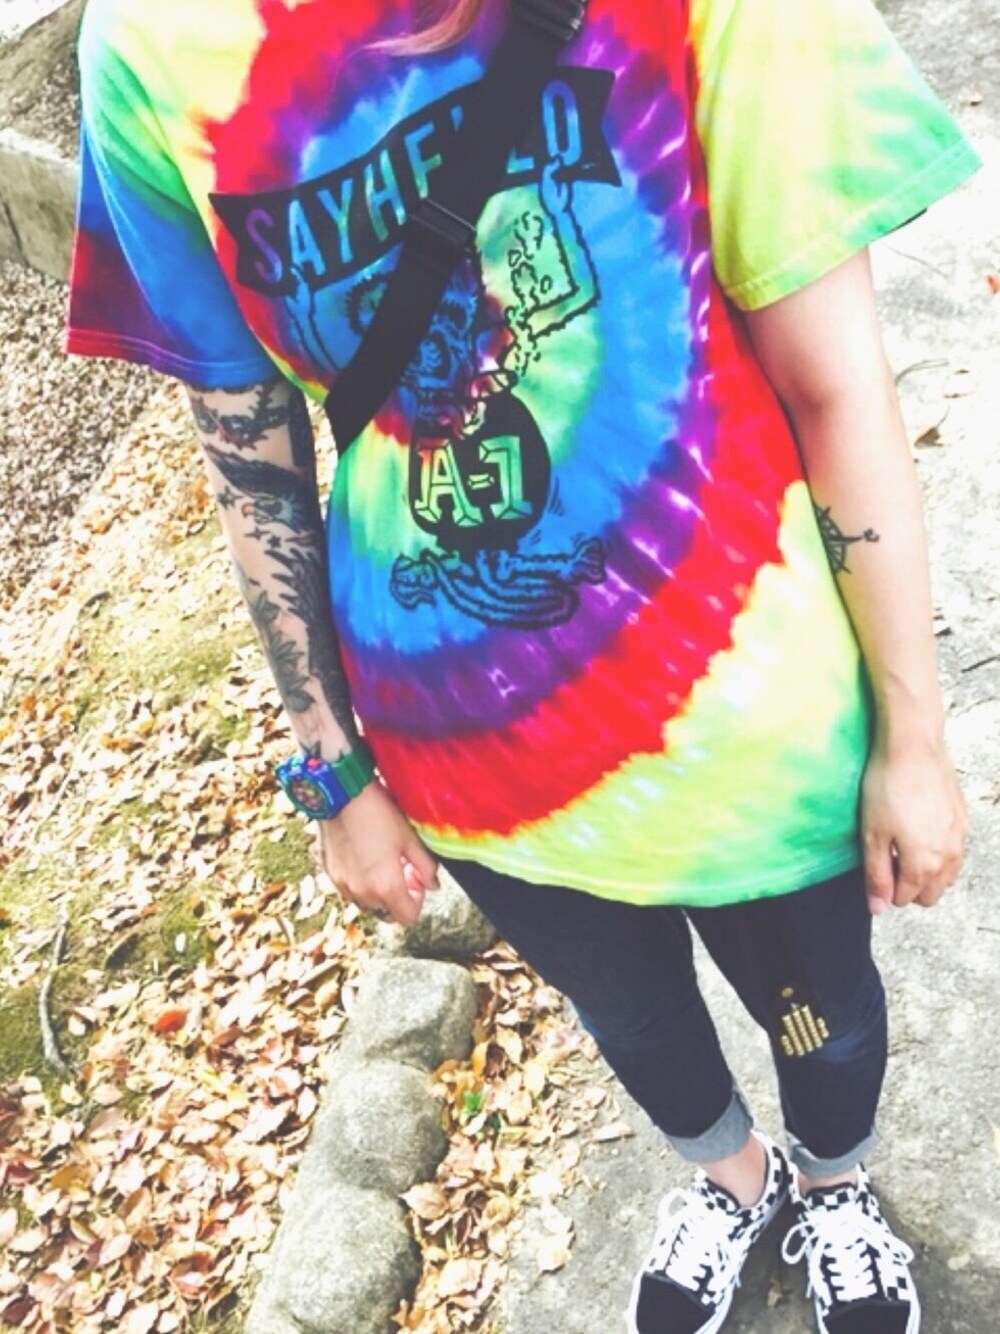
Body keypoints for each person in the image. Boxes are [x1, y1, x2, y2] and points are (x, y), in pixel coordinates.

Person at [65, 0, 977, 1329]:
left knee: (823, 1017)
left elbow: (835, 385)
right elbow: (247, 450)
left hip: (751, 707)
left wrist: (914, 733)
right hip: (465, 755)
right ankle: (733, 1178)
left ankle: (834, 1185)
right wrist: (334, 773)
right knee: (632, 1015)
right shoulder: (145, 46)